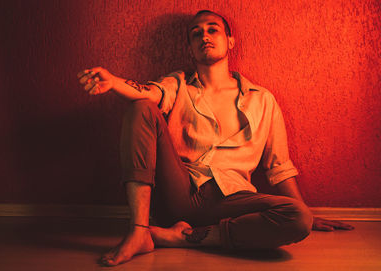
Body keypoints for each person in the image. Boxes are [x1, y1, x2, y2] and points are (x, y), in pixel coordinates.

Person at [77, 10, 354, 267]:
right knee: (141, 107)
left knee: (299, 218)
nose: (205, 36)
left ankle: (179, 237)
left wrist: (304, 211)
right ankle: (138, 232)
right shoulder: (178, 84)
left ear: (230, 41)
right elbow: (149, 93)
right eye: (196, 33)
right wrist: (114, 82)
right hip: (179, 193)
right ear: (190, 47)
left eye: (213, 30)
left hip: (231, 202)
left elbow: (278, 166)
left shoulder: (263, 100)